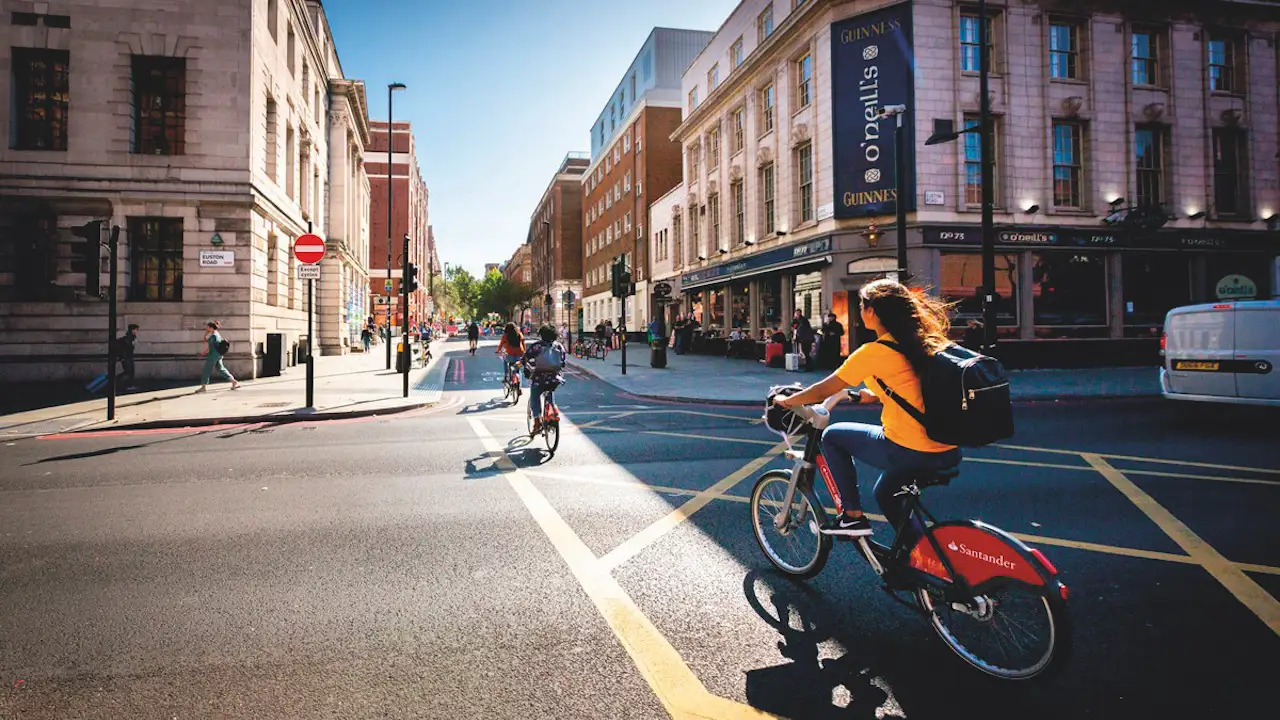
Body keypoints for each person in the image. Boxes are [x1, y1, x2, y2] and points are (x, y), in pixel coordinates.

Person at [774, 279, 960, 540]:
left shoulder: (874, 352)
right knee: (886, 494)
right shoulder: (922, 342)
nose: (860, 311)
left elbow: (822, 390)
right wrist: (871, 396)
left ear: (872, 312)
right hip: (947, 448)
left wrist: (787, 401)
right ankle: (920, 558)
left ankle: (852, 517)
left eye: (862, 305)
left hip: (911, 449)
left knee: (833, 436)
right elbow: (913, 387)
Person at [521, 325, 567, 434]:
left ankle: (537, 422)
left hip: (539, 378)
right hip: (554, 378)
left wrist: (521, 364)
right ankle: (552, 411)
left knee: (534, 397)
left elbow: (526, 358)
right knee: (550, 392)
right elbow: (563, 360)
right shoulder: (559, 346)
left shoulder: (536, 347)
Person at [197, 320, 240, 393]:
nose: (206, 329)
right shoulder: (217, 334)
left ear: (211, 328)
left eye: (207, 327)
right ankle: (233, 381)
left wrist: (204, 352)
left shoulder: (213, 336)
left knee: (206, 370)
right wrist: (207, 333)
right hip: (219, 355)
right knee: (221, 369)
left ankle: (203, 387)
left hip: (213, 355)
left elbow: (209, 346)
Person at [496, 322, 526, 386]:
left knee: (505, 361)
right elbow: (523, 343)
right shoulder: (519, 334)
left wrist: (498, 351)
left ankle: (506, 376)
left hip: (510, 355)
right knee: (518, 369)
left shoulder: (505, 336)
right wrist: (524, 351)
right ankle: (518, 383)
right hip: (519, 355)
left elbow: (501, 345)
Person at [116, 323, 139, 390]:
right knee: (129, 372)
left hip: (128, 357)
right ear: (132, 330)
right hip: (126, 357)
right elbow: (126, 348)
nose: (136, 331)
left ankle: (128, 384)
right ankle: (126, 384)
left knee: (129, 372)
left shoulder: (132, 337)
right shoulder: (129, 338)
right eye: (135, 329)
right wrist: (123, 358)